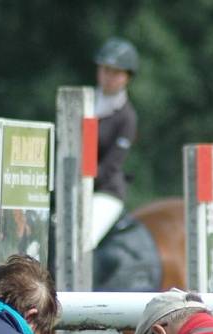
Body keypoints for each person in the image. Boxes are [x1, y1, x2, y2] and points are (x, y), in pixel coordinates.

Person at [89, 37, 139, 250]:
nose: (108, 76)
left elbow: (111, 165)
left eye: (115, 72)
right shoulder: (80, 102)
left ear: (127, 77)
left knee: (84, 239)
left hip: (105, 191)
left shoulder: (127, 117)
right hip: (68, 186)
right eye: (105, 69)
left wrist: (82, 184)